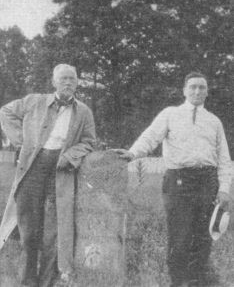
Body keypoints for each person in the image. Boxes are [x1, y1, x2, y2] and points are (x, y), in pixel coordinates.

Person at [116, 72, 232, 287]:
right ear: (184, 90)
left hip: (207, 181)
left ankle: (197, 281)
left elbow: (224, 159)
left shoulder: (214, 121)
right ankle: (179, 282)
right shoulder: (170, 114)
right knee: (180, 235)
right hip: (178, 180)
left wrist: (224, 189)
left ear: (207, 92)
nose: (197, 91)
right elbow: (150, 137)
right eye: (193, 87)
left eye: (202, 88)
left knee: (203, 236)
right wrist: (132, 154)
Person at [0, 64, 96, 287]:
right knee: (29, 230)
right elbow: (5, 112)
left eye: (72, 79)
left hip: (60, 173)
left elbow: (90, 142)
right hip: (32, 169)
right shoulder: (34, 101)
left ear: (77, 83)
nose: (68, 83)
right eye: (63, 78)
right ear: (54, 82)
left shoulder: (83, 111)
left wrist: (71, 155)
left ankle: (47, 281)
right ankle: (27, 281)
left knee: (53, 231)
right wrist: (22, 142)